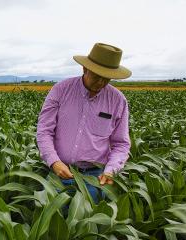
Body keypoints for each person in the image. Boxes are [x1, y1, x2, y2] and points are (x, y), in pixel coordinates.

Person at [36, 42, 132, 203]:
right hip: (60, 171)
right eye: (97, 76)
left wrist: (111, 170)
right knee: (50, 221)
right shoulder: (61, 90)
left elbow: (121, 144)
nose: (101, 82)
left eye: (106, 78)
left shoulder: (117, 100)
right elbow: (44, 131)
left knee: (90, 224)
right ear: (84, 69)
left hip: (95, 177)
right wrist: (54, 162)